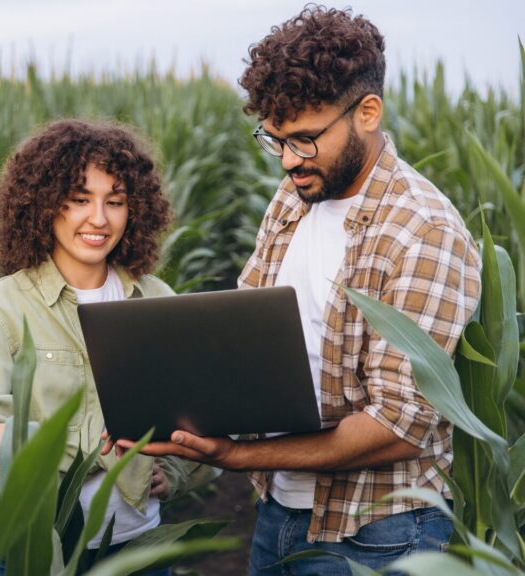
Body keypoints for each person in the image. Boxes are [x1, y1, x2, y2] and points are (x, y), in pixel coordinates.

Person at [116, 6, 481, 574]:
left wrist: (237, 455)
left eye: (305, 140)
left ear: (367, 112)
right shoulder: (296, 197)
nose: (288, 161)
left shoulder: (421, 232)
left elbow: (400, 427)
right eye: (275, 139)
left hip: (377, 532)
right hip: (280, 512)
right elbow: (244, 326)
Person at [0, 119, 216, 571]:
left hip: (142, 549)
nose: (99, 219)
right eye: (79, 201)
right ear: (44, 204)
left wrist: (170, 474)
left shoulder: (157, 300)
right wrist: (37, 444)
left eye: (115, 202)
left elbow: (200, 421)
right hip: (42, 554)